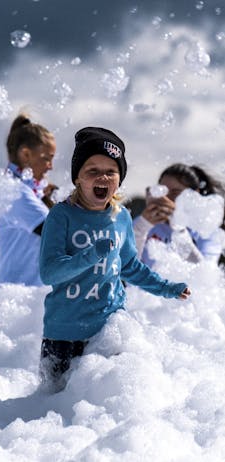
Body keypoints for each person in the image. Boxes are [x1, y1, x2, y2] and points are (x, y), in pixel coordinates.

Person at [39, 127, 191, 393]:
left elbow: (130, 266)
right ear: (78, 179)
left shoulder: (120, 217)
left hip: (109, 331)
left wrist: (166, 288)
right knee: (55, 413)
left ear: (119, 179)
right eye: (93, 171)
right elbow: (49, 273)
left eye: (111, 171)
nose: (103, 177)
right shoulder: (61, 216)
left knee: (108, 409)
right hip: (63, 335)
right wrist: (90, 255)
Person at [0, 113, 56, 287]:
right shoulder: (14, 191)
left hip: (26, 297)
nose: (51, 166)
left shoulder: (28, 191)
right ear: (26, 155)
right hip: (17, 298)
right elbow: (54, 231)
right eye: (46, 158)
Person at [133, 163, 225, 266]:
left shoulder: (208, 231)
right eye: (163, 192)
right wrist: (142, 226)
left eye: (175, 193)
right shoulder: (145, 223)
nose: (166, 199)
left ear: (194, 195)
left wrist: (178, 227)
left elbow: (204, 273)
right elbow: (126, 265)